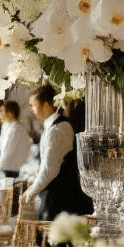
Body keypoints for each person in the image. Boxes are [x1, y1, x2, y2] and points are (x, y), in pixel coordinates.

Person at [23, 83, 93, 227]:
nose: (31, 109)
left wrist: (31, 191)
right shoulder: (51, 126)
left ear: (47, 105)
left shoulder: (59, 128)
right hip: (55, 196)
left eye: (33, 105)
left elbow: (50, 169)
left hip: (62, 199)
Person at [0, 100, 33, 177]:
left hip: (13, 171)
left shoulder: (16, 129)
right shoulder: (7, 127)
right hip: (7, 168)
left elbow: (8, 151)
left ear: (10, 114)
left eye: (2, 111)